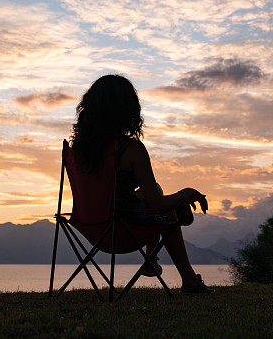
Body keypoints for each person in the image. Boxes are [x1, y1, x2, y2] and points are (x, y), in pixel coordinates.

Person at [70, 74, 213, 294]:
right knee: (169, 211)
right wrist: (186, 194)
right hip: (122, 229)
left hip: (90, 228)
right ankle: (188, 280)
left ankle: (151, 258)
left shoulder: (78, 153)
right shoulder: (131, 150)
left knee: (155, 192)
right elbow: (157, 205)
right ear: (127, 110)